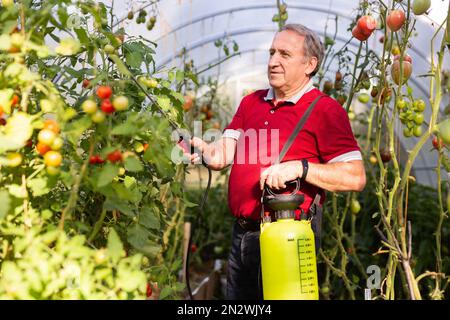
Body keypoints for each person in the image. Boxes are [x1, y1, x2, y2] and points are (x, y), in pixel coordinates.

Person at [181, 24, 366, 300]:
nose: (273, 61)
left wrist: (300, 167)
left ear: (309, 64)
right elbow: (224, 155)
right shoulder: (250, 103)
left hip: (288, 238)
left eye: (284, 54)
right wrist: (206, 150)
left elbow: (355, 177)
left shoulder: (325, 110)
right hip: (242, 235)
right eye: (271, 52)